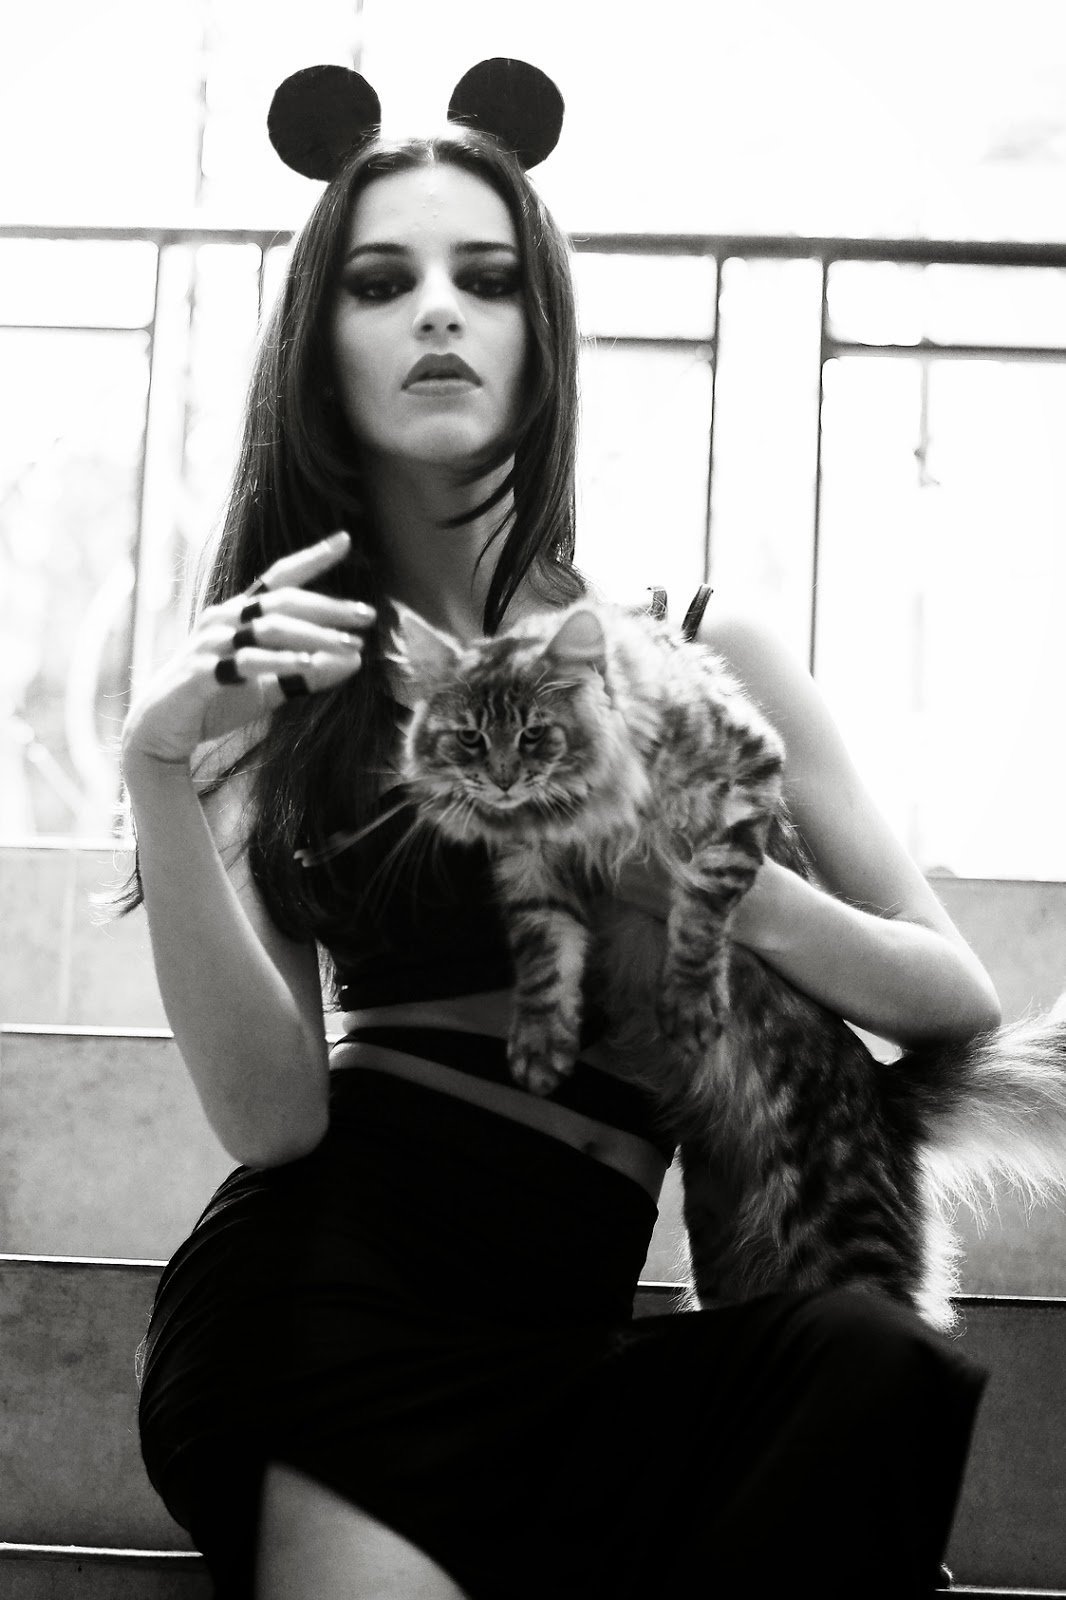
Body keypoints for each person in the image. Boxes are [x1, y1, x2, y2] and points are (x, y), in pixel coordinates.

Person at [123, 63, 994, 1600]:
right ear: (320, 345)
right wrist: (153, 769)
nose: (438, 313)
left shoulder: (702, 643)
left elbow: (949, 998)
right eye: (382, 282)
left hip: (569, 1330)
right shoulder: (286, 679)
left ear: (545, 336)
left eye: (487, 279)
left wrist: (713, 883)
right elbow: (272, 1121)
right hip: (327, 1310)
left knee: (871, 1368)